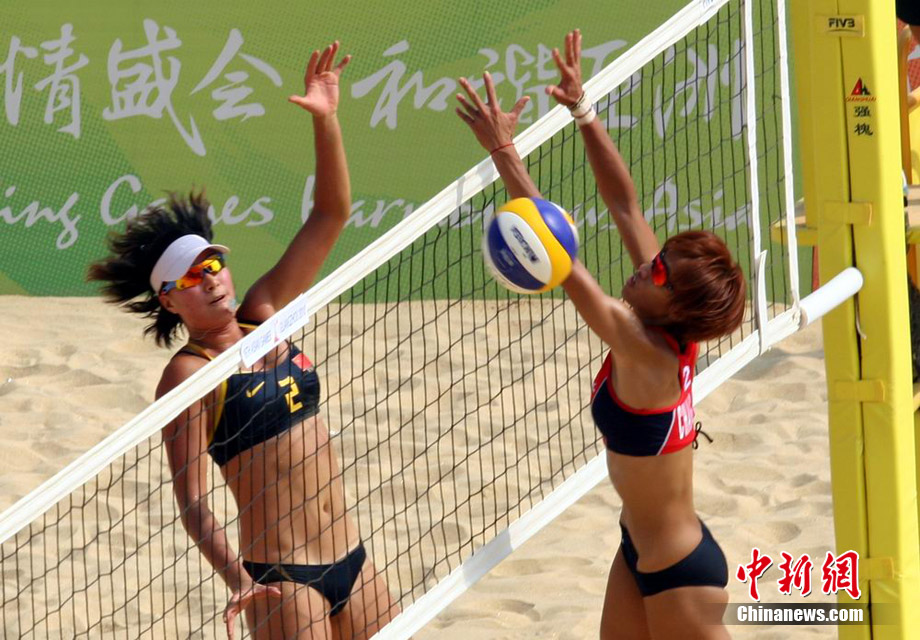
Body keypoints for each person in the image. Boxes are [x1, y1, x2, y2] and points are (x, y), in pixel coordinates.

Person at [89, 42, 398, 640]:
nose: (210, 280)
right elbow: (192, 503)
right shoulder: (189, 374)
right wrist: (239, 581)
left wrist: (327, 120)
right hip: (283, 579)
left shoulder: (264, 314)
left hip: (355, 561)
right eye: (191, 277)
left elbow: (332, 214)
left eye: (213, 265)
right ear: (169, 301)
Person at [455, 30, 745, 640]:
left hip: (680, 572)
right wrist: (583, 111)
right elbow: (625, 206)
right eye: (659, 258)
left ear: (677, 305)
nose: (647, 266)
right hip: (637, 549)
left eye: (660, 272)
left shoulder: (648, 353)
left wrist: (504, 151)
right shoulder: (666, 325)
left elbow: (556, 255)